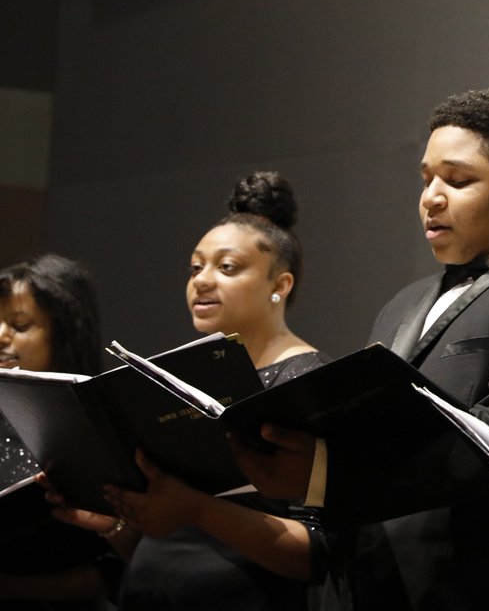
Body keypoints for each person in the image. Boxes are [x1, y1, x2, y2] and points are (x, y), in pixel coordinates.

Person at [234, 89, 489, 609]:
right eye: (426, 179)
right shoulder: (402, 305)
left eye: (458, 180)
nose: (431, 197)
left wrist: (328, 473)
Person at [53, 171, 331, 610]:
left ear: (280, 285)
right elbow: (167, 540)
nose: (202, 280)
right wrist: (116, 524)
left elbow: (318, 552)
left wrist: (197, 509)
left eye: (227, 267)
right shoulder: (180, 380)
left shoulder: (305, 380)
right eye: (196, 267)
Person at [0, 254, 112, 610]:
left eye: (19, 325)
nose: (0, 336)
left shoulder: (97, 426)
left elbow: (114, 568)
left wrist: (12, 587)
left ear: (64, 333)